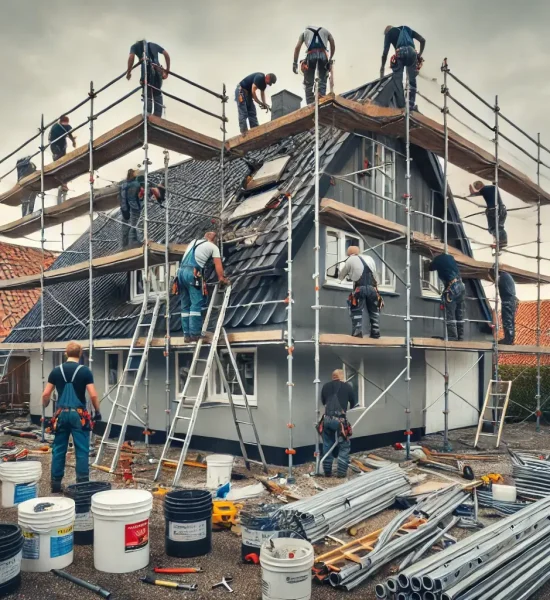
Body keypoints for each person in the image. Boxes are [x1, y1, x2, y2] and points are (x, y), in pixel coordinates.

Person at [41, 342, 101, 493]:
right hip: (79, 415)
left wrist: (45, 405)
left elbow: (46, 394)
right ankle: (82, 484)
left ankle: (55, 484)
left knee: (59, 448)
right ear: (80, 354)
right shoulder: (85, 371)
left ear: (66, 353)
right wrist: (97, 411)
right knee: (81, 449)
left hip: (61, 414)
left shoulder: (56, 371)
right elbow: (93, 394)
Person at [177, 229, 230, 342]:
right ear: (213, 239)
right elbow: (218, 265)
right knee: (196, 303)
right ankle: (195, 334)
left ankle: (187, 335)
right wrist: (222, 278)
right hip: (192, 273)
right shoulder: (213, 247)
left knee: (185, 304)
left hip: (180, 273)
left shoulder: (193, 242)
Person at [319, 369, 357, 478]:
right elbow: (353, 403)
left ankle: (327, 472)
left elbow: (323, 401)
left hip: (326, 419)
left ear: (333, 377)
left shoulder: (326, 386)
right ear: (342, 376)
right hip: (339, 421)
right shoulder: (347, 387)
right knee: (344, 445)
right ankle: (341, 473)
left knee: (327, 444)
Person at [338, 246, 382, 338]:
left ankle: (357, 332)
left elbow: (341, 276)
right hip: (372, 289)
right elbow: (376, 276)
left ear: (349, 253)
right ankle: (375, 332)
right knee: (373, 310)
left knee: (356, 309)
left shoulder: (350, 259)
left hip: (359, 288)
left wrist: (343, 277)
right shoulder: (369, 259)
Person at [380, 25, 425, 111]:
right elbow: (423, 40)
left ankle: (402, 106)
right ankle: (411, 106)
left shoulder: (389, 33)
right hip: (412, 52)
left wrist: (382, 67)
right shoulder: (407, 29)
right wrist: (419, 55)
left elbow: (385, 52)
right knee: (412, 80)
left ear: (386, 31)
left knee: (397, 79)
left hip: (400, 52)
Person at [119, 169, 165, 248]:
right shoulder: (134, 188)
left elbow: (153, 193)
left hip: (131, 209)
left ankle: (129, 245)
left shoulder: (137, 188)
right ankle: (135, 243)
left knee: (132, 227)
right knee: (134, 226)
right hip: (133, 209)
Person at [127, 40, 171, 118]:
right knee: (157, 95)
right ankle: (157, 119)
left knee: (148, 96)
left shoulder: (135, 46)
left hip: (147, 73)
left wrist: (128, 73)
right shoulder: (153, 45)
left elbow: (131, 57)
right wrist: (167, 71)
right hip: (158, 73)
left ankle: (147, 119)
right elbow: (166, 54)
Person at [292, 26, 335, 105]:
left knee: (308, 83)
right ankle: (321, 100)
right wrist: (330, 58)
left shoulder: (304, 33)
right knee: (322, 81)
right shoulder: (326, 31)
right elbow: (332, 42)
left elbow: (297, 47)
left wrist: (295, 63)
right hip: (323, 56)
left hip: (311, 55)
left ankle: (310, 104)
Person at [429, 253, 466, 341]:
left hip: (452, 286)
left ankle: (452, 336)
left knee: (449, 312)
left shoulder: (438, 259)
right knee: (459, 312)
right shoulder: (451, 257)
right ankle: (461, 336)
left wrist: (433, 260)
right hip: (461, 285)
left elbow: (430, 268)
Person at [469, 180, 508, 249]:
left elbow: (473, 193)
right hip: (502, 210)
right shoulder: (493, 188)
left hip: (494, 211)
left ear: (479, 185)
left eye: (476, 186)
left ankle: (501, 242)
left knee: (493, 228)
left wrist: (471, 189)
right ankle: (501, 242)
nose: (476, 188)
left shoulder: (484, 189)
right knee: (499, 226)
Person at [49, 116, 77, 204]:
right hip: (55, 146)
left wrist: (73, 141)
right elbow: (50, 139)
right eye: (65, 123)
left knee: (64, 163)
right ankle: (61, 181)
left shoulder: (66, 127)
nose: (66, 124)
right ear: (61, 122)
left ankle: (64, 183)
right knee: (58, 163)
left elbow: (69, 133)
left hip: (62, 145)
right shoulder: (55, 127)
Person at [489, 267, 518, 345]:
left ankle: (508, 340)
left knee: (507, 320)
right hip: (510, 300)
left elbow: (500, 287)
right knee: (510, 321)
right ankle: (509, 339)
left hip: (508, 301)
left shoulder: (502, 277)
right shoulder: (506, 276)